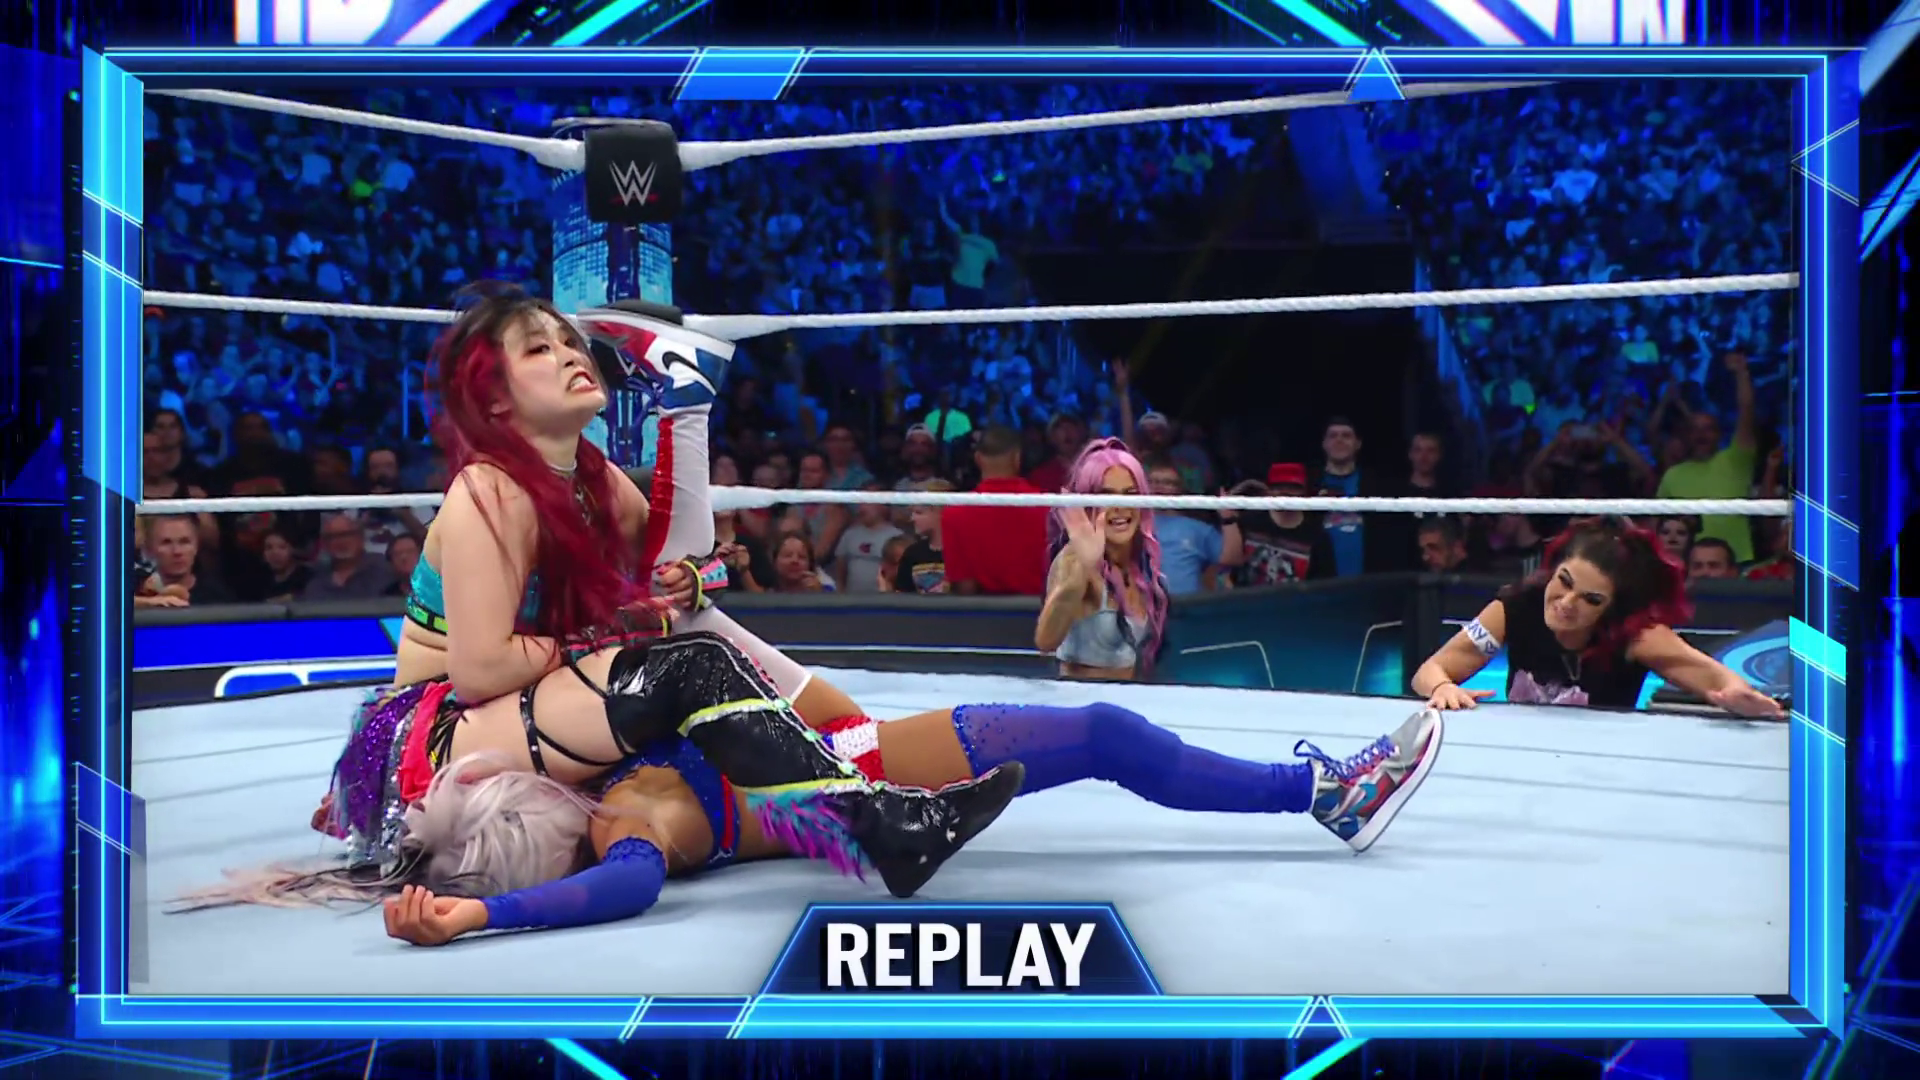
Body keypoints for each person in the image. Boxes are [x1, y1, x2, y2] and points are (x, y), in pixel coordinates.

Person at [339, 284, 1019, 895]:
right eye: (540, 349)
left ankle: (887, 820)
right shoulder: (489, 491)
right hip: (431, 733)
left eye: (570, 342)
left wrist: (689, 534)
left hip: (524, 702)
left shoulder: (589, 478)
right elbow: (480, 669)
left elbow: (689, 567)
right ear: (494, 397)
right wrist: (611, 632)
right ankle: (886, 826)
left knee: (706, 659)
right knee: (686, 668)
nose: (572, 355)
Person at [374, 682, 1445, 946]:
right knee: (1105, 734)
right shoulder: (626, 824)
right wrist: (483, 918)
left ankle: (1319, 792)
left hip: (850, 750)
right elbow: (627, 889)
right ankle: (1325, 796)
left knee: (1103, 734)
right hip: (867, 776)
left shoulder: (602, 769)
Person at [1409, 516, 1785, 717]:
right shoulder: (1515, 607)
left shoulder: (1636, 636)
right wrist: (1442, 688)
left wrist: (1738, 696)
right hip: (1522, 756)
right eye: (1564, 581)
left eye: (1590, 599)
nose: (1566, 602)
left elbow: (1717, 680)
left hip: (1604, 766)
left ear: (1611, 607)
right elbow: (1430, 670)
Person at [1035, 439, 1168, 681]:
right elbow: (1046, 641)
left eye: (1130, 495)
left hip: (1130, 694)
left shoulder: (1141, 565)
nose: (1120, 507)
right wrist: (1083, 568)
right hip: (1082, 698)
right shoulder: (1073, 558)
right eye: (1106, 496)